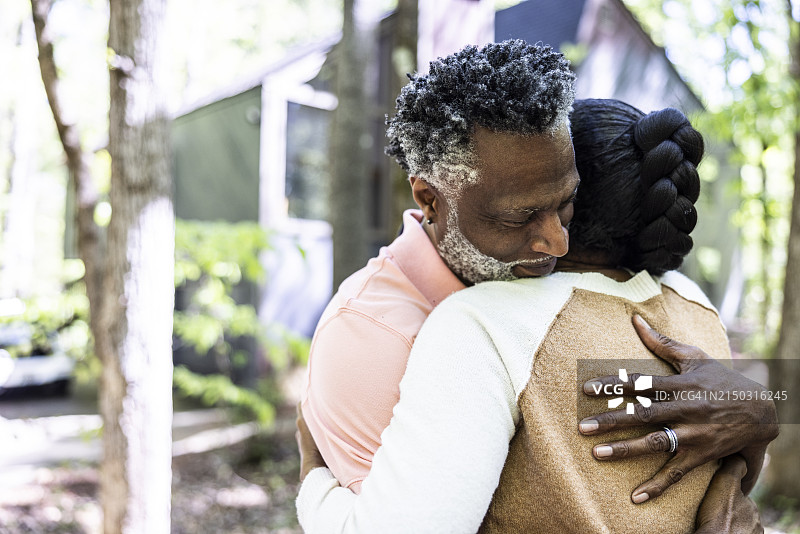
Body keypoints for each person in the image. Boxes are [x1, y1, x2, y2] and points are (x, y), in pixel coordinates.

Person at [300, 38, 777, 513]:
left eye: (566, 203)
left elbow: (592, 409)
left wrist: (751, 410)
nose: (558, 243)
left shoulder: (553, 302)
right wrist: (313, 483)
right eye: (517, 218)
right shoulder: (369, 340)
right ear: (429, 199)